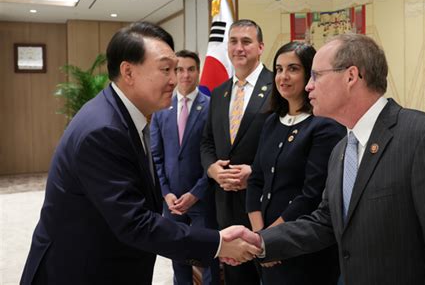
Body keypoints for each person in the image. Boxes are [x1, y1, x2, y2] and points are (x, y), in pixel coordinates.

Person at [20, 22, 260, 285]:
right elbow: (134, 223)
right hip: (81, 269)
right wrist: (218, 243)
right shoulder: (103, 130)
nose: (175, 79)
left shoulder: (125, 115)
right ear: (128, 72)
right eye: (166, 69)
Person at [233, 33, 425, 284]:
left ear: (351, 76)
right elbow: (326, 221)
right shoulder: (342, 150)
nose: (308, 86)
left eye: (317, 75)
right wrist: (261, 241)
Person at [246, 41, 345, 284]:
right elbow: (256, 180)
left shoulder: (324, 125)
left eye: (293, 69)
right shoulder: (270, 122)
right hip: (265, 245)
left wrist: (271, 239)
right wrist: (261, 237)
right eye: (279, 69)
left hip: (303, 248)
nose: (283, 76)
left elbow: (310, 195)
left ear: (310, 75)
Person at [200, 19, 273, 284]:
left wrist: (254, 172)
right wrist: (213, 170)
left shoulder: (277, 86)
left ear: (260, 46)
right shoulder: (218, 93)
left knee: (268, 273)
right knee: (235, 275)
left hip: (264, 204)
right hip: (225, 204)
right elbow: (207, 142)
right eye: (233, 41)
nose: (238, 48)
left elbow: (287, 143)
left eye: (246, 41)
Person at [150, 49, 220, 285]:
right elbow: (156, 156)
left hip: (201, 197)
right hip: (172, 201)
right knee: (177, 255)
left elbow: (213, 156)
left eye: (191, 69)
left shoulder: (211, 107)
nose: (185, 75)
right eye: (179, 69)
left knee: (208, 255)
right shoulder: (161, 108)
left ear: (198, 72)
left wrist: (196, 193)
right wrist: (166, 193)